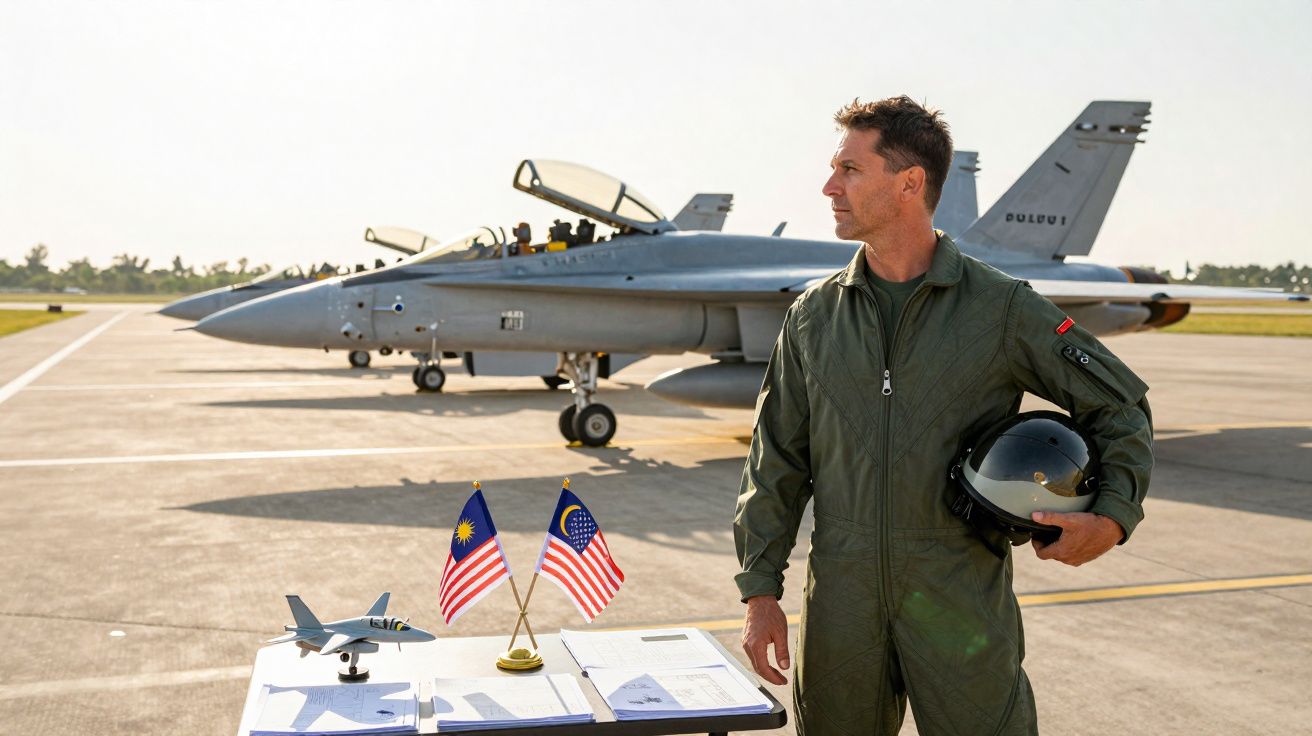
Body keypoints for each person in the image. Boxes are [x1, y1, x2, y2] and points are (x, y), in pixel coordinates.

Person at [734, 96, 1153, 735]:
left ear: (909, 183)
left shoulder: (1001, 307)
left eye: (850, 169)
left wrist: (1113, 516)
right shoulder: (814, 317)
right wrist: (760, 591)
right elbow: (776, 462)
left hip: (961, 600)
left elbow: (1120, 404)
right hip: (842, 603)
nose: (829, 187)